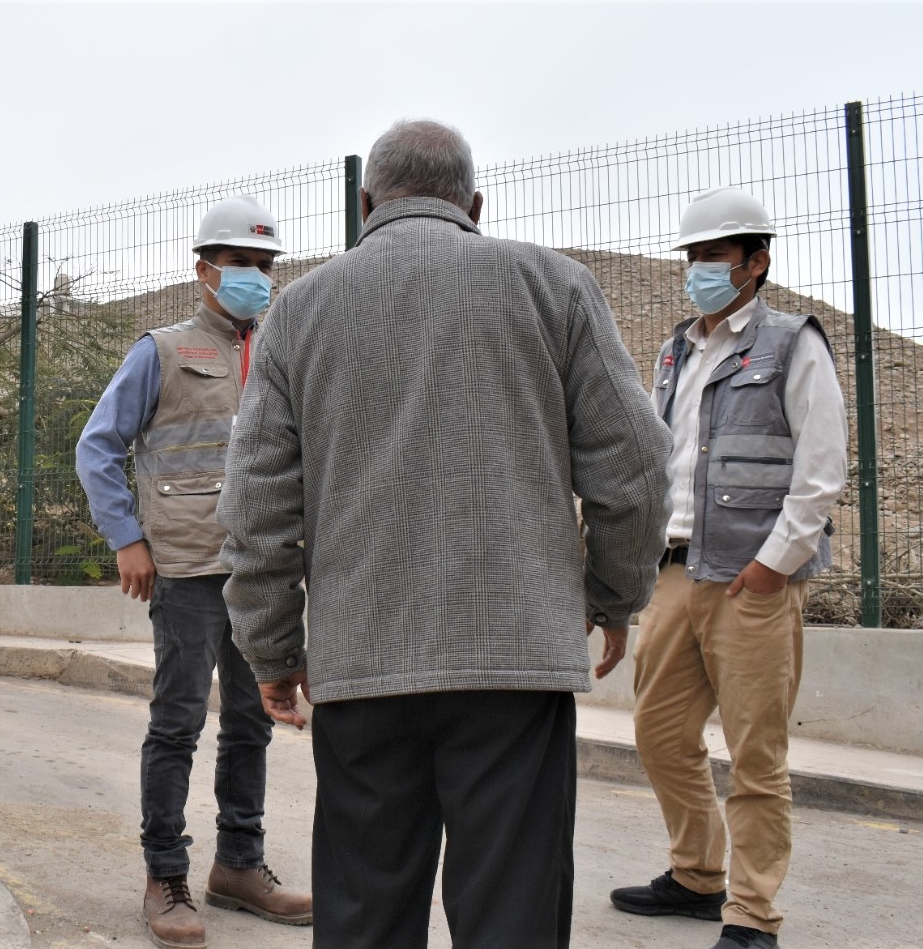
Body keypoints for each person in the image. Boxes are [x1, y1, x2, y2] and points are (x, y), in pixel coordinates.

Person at [217, 119, 673, 949]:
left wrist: (274, 652)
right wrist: (612, 596)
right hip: (513, 666)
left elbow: (255, 507)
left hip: (361, 667)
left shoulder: (299, 312)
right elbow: (636, 465)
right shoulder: (555, 287)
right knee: (512, 915)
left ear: (365, 205)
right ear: (473, 203)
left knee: (362, 916)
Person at [609, 187, 848, 949]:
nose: (699, 270)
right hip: (677, 572)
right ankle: (696, 875)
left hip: (753, 580)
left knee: (755, 754)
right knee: (658, 732)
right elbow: (660, 460)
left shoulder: (791, 343)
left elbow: (821, 468)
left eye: (713, 257)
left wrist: (774, 566)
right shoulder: (677, 349)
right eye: (693, 257)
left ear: (756, 262)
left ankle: (751, 911)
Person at [75, 195, 313, 949]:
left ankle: (239, 864)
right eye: (242, 264)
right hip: (183, 568)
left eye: (266, 265)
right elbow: (98, 445)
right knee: (177, 723)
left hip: (263, 573)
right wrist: (126, 538)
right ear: (204, 269)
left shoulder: (281, 353)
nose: (255, 277)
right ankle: (165, 875)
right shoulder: (163, 350)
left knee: (252, 723)